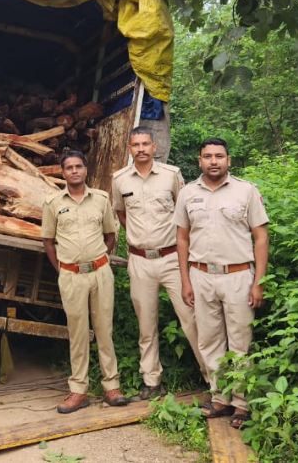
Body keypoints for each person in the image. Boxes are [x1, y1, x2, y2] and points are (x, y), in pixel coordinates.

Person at [175, 138, 269, 430]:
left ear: (229, 160)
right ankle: (220, 397)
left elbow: (261, 237)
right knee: (209, 340)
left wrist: (258, 282)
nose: (213, 161)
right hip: (201, 276)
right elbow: (182, 238)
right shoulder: (188, 193)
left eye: (219, 156)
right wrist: (186, 280)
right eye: (207, 156)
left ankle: (242, 404)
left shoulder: (246, 191)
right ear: (199, 161)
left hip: (238, 276)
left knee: (240, 342)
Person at [112, 127, 208, 401]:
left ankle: (215, 380)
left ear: (154, 147)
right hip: (140, 261)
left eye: (145, 144)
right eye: (135, 145)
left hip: (172, 260)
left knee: (192, 319)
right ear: (130, 149)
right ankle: (152, 381)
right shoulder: (119, 179)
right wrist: (141, 238)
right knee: (146, 325)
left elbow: (185, 213)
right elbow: (120, 212)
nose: (140, 149)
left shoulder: (171, 175)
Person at [42, 150, 129, 413]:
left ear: (86, 170)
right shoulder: (53, 202)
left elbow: (110, 234)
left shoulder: (101, 199)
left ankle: (111, 387)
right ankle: (78, 390)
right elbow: (48, 240)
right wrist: (62, 270)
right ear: (62, 173)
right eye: (69, 168)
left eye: (78, 166)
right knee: (77, 334)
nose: (74, 171)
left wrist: (98, 258)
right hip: (71, 276)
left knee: (104, 330)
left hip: (100, 273)